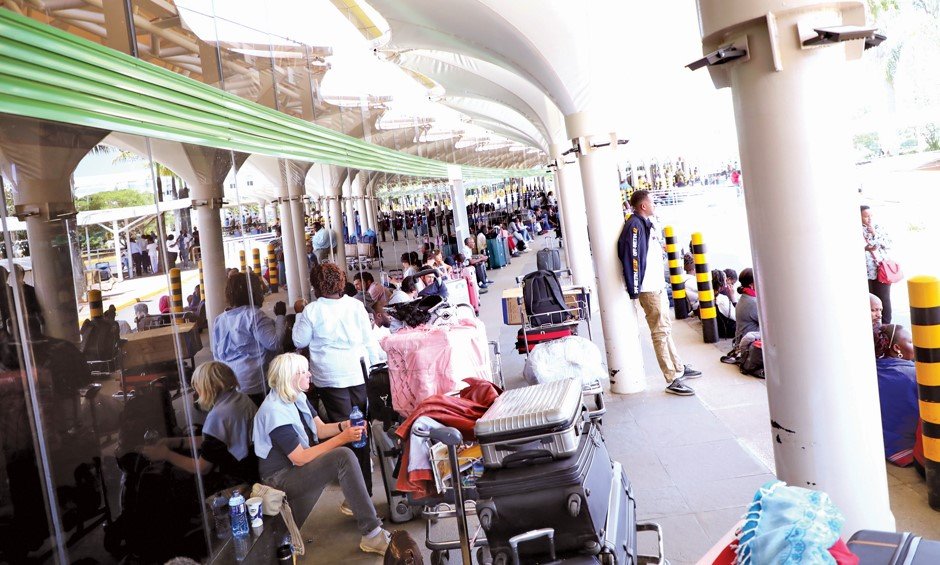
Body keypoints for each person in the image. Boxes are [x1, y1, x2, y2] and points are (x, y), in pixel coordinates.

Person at [253, 353, 390, 555]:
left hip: (294, 468)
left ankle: (364, 518)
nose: (310, 375)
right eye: (304, 372)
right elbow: (300, 458)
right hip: (279, 479)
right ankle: (372, 534)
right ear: (291, 377)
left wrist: (345, 425)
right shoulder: (274, 411)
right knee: (343, 456)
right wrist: (344, 438)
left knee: (344, 455)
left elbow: (321, 430)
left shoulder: (295, 396)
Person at [292, 263, 382, 494]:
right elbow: (368, 340)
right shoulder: (356, 306)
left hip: (330, 378)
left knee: (345, 431)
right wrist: (374, 366)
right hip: (357, 372)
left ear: (316, 284)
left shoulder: (312, 310)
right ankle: (365, 480)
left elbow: (299, 340)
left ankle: (357, 488)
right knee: (360, 426)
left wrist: (300, 314)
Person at [618, 190, 701, 396]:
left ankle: (678, 367)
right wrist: (635, 287)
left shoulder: (645, 224)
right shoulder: (635, 226)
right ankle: (671, 377)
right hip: (649, 288)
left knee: (665, 329)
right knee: (659, 331)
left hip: (657, 285)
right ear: (643, 206)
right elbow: (631, 257)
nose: (655, 204)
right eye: (652, 202)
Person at [141, 362, 259, 487]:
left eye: (196, 386)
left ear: (207, 388)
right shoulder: (240, 398)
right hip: (252, 465)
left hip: (236, 477)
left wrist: (166, 454)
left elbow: (203, 468)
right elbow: (215, 442)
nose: (196, 392)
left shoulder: (218, 416)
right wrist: (175, 442)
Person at [211, 273, 286, 406]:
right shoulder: (254, 315)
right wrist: (280, 316)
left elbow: (216, 354)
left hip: (232, 384)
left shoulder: (220, 320)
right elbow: (274, 343)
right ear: (252, 291)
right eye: (259, 287)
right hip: (256, 384)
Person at [873, 324, 920, 467]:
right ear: (897, 348)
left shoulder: (871, 369)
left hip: (880, 443)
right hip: (908, 447)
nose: (916, 345)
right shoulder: (914, 375)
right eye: (911, 342)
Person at [862, 205, 894, 323]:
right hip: (866, 271)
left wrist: (875, 234)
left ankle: (887, 326)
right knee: (869, 299)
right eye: (866, 216)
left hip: (880, 269)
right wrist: (865, 248)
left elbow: (888, 244)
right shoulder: (855, 229)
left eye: (871, 216)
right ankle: (872, 326)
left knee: (884, 299)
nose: (869, 219)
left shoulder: (877, 227)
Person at [722, 268, 760, 364]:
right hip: (747, 345)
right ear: (752, 284)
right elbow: (767, 324)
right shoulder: (753, 302)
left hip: (740, 342)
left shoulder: (744, 297)